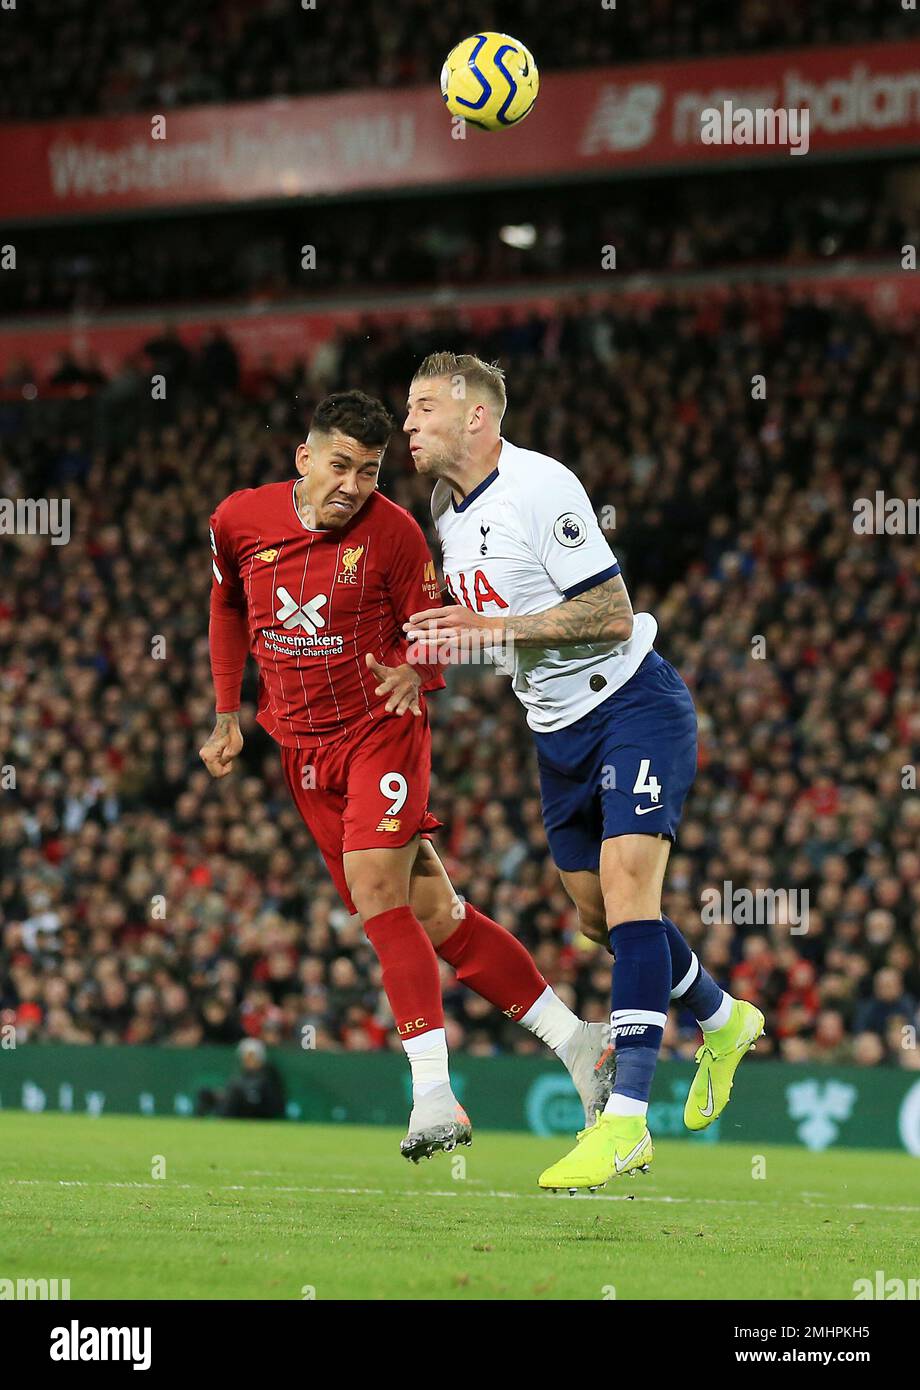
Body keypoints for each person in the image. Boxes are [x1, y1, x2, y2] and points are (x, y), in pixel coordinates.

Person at [199, 390, 614, 1163]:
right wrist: (227, 712)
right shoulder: (239, 521)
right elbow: (226, 605)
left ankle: (432, 1094)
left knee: (379, 897)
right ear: (304, 458)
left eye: (370, 469)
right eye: (340, 465)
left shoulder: (393, 533)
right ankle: (577, 1043)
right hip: (301, 748)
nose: (353, 483)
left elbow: (437, 627)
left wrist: (413, 669)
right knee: (435, 916)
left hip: (381, 732)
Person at [403, 353, 764, 1191]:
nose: (410, 424)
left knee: (630, 891)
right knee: (600, 918)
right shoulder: (443, 508)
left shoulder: (542, 486)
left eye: (424, 408)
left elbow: (607, 613)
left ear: (477, 418)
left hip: (633, 701)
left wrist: (490, 635)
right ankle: (722, 1016)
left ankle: (627, 1121)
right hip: (555, 730)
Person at [197, 1038, 287, 1119]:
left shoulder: (269, 1074)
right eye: (245, 1057)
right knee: (205, 1092)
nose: (247, 1060)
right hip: (239, 1107)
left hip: (257, 1111)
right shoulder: (241, 1074)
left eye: (251, 1056)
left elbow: (272, 1101)